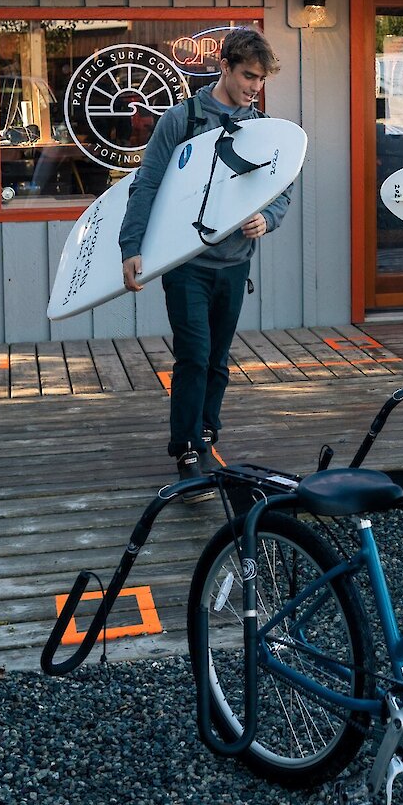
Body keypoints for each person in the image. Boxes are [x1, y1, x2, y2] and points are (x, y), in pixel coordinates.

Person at [119, 27, 291, 490]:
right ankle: (187, 448)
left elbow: (280, 187)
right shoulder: (182, 119)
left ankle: (208, 433)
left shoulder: (262, 126)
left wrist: (268, 218)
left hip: (234, 264)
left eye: (261, 80)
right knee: (193, 355)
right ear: (225, 67)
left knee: (217, 359)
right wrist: (131, 248)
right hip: (186, 264)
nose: (254, 87)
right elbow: (147, 183)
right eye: (248, 76)